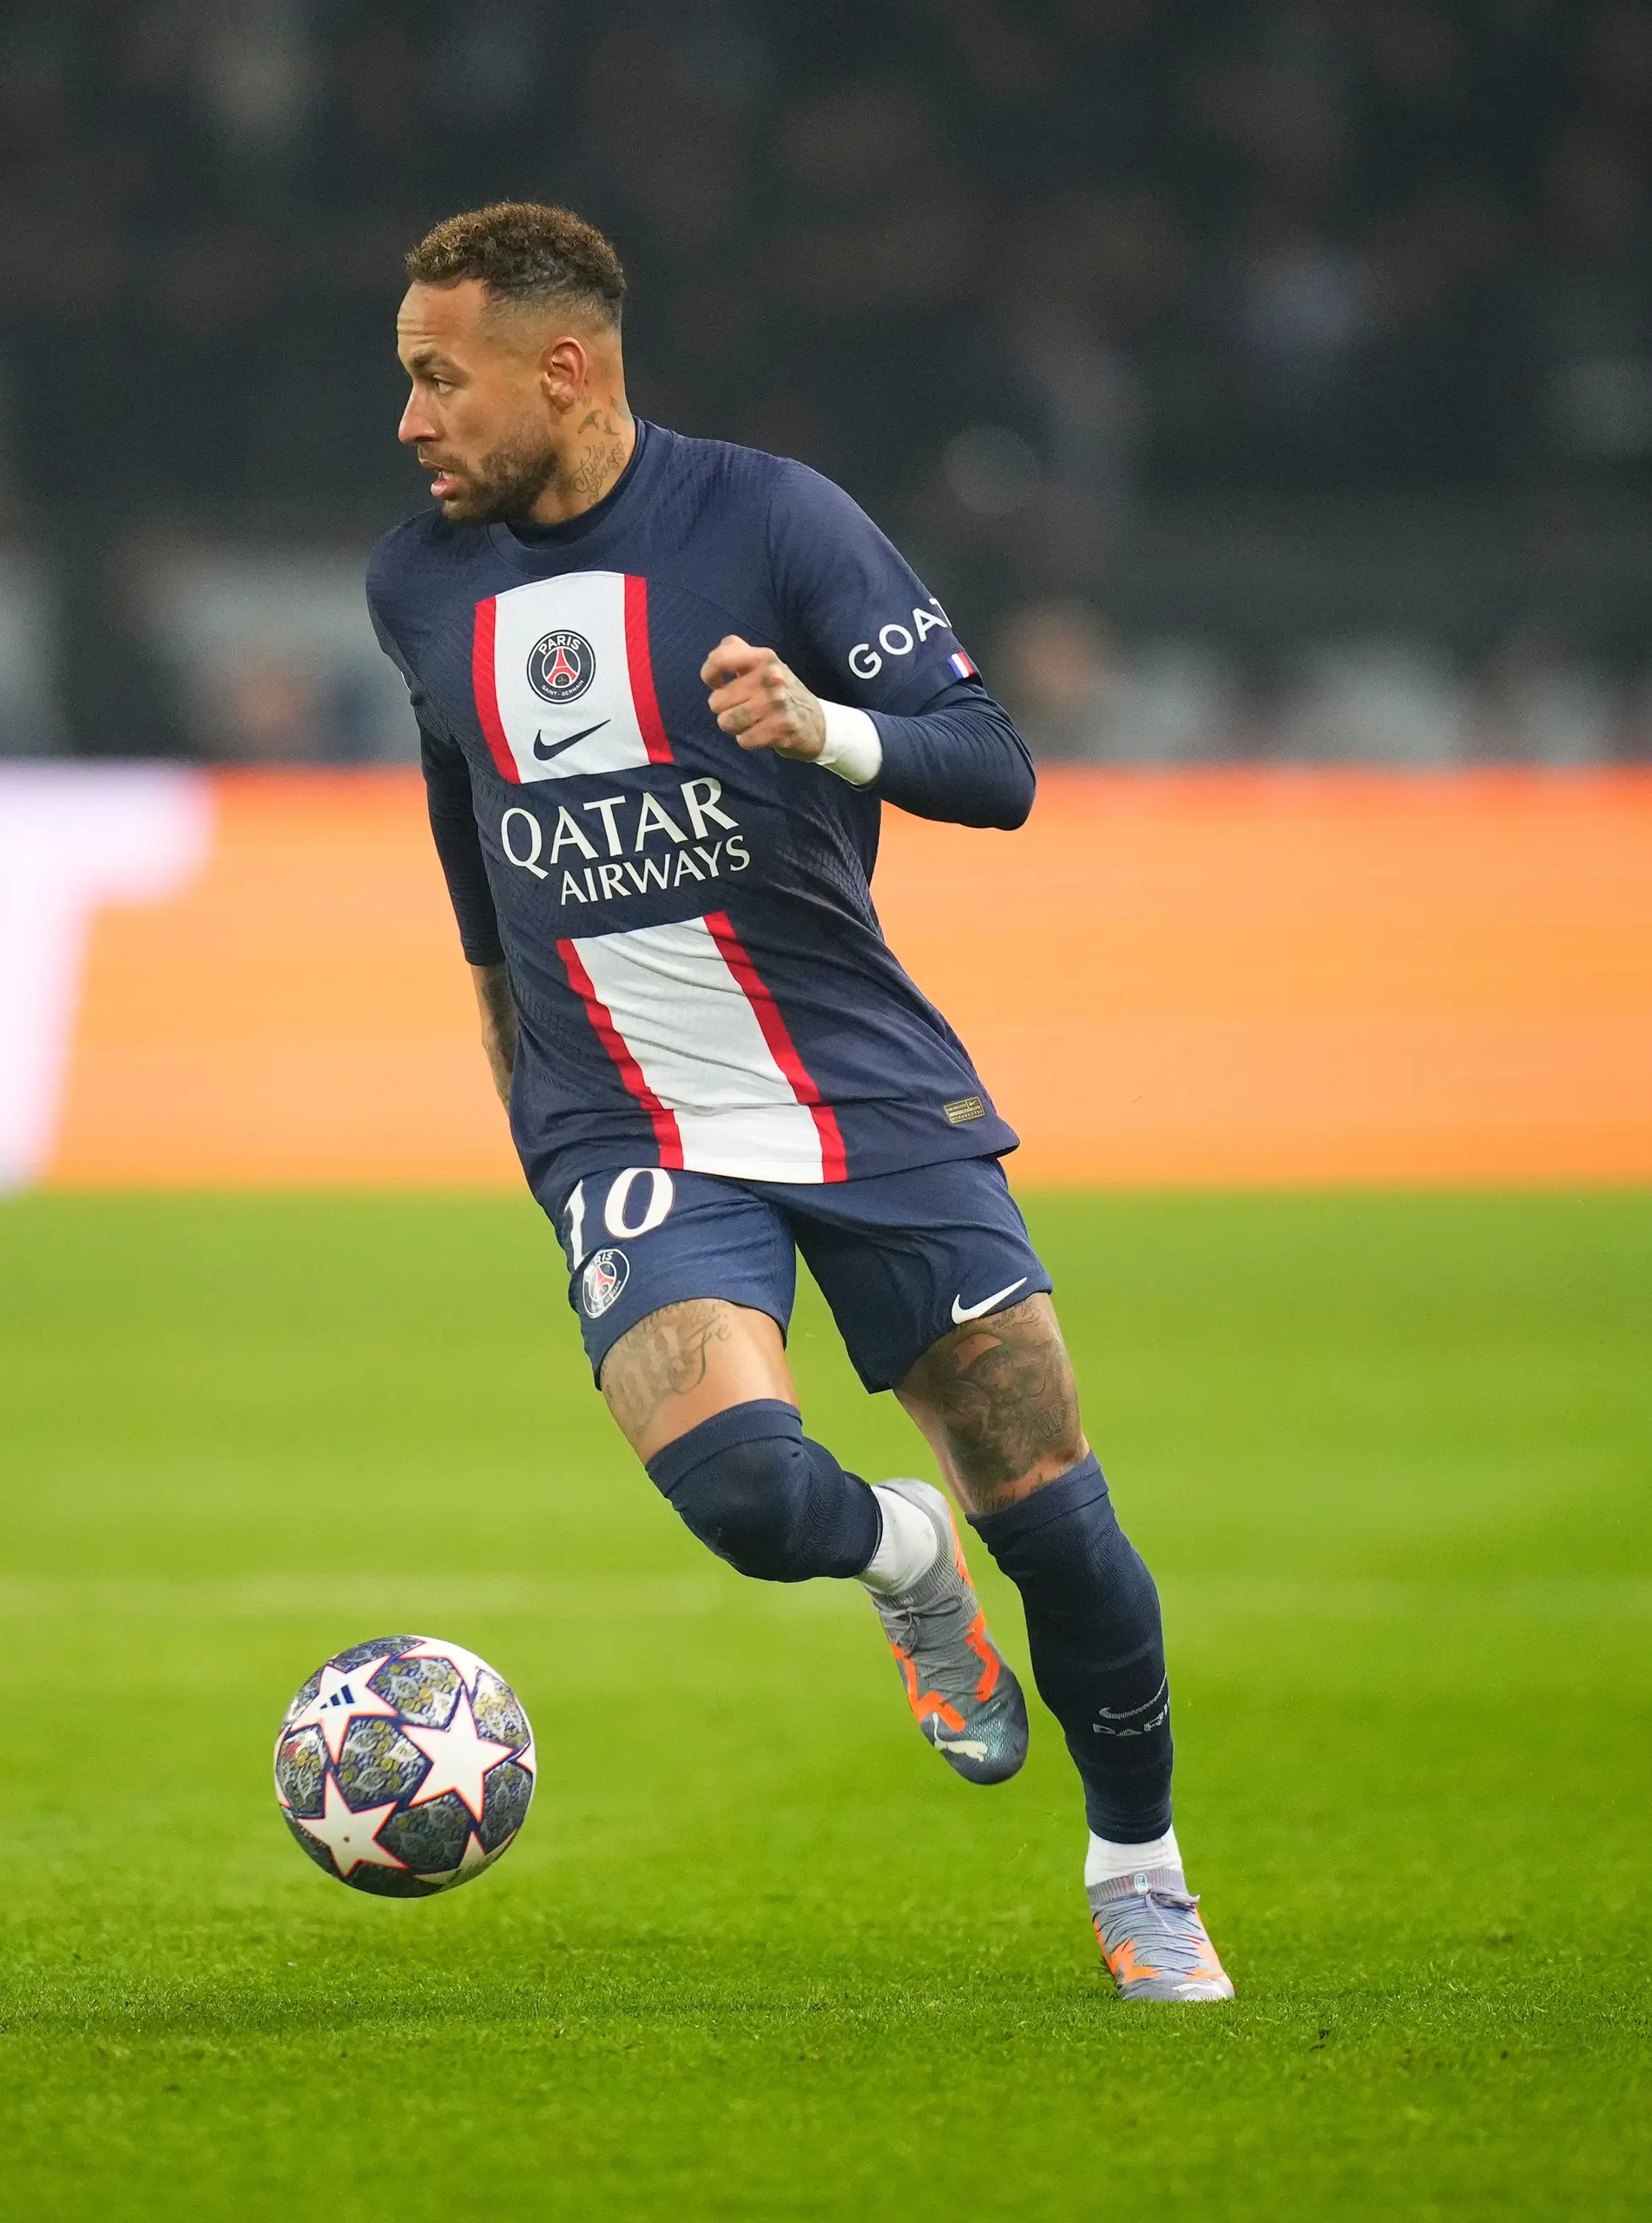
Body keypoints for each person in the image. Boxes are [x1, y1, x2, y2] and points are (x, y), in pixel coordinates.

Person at [364, 204, 1228, 2002]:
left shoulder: (772, 521)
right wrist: (489, 1006)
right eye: (407, 380)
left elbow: (995, 768)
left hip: (860, 1091)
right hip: (629, 1118)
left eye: (440, 378)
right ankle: (904, 1557)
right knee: (752, 1496)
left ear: (564, 370)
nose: (412, 420)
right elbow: (462, 795)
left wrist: (824, 727)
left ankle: (1139, 1862)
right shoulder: (417, 585)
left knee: (1054, 1510)